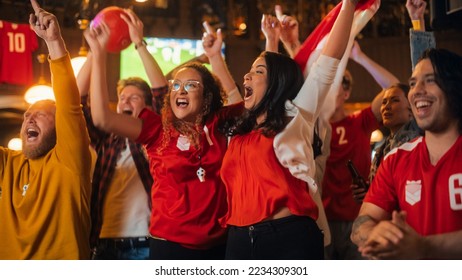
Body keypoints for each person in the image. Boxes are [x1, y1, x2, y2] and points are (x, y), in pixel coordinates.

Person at [83, 18, 243, 260]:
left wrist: (214, 57)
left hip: (219, 246)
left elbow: (235, 99)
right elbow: (103, 118)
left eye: (191, 85)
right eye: (176, 85)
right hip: (168, 246)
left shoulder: (219, 125)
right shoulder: (159, 130)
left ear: (207, 98)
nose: (180, 90)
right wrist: (98, 54)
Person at [215, 0, 361, 260]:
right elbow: (262, 78)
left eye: (256, 72)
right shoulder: (239, 131)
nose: (246, 77)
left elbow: (330, 59)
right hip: (237, 239)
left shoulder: (295, 116)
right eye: (247, 72)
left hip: (286, 237)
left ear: (277, 83)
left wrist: (348, 4)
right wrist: (269, 41)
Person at [0, 0, 91, 259]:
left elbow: (70, 106)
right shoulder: (8, 163)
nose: (29, 119)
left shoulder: (69, 161)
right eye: (27, 116)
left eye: (40, 115)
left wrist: (53, 41)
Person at [350, 48, 462, 259]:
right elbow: (361, 223)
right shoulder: (395, 160)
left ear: (455, 89)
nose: (417, 90)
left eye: (430, 80)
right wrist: (376, 233)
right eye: (412, 83)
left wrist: (424, 248)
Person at [76, 9, 164, 260]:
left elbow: (161, 94)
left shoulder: (155, 137)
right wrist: (95, 50)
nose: (124, 101)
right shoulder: (105, 139)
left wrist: (138, 43)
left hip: (145, 242)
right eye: (122, 97)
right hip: (102, 242)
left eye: (133, 97)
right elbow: (76, 101)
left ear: (146, 107)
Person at [320, 40, 399, 259]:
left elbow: (394, 88)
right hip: (320, 219)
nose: (327, 91)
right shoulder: (313, 126)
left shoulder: (359, 122)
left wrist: (359, 56)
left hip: (355, 220)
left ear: (345, 93)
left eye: (334, 85)